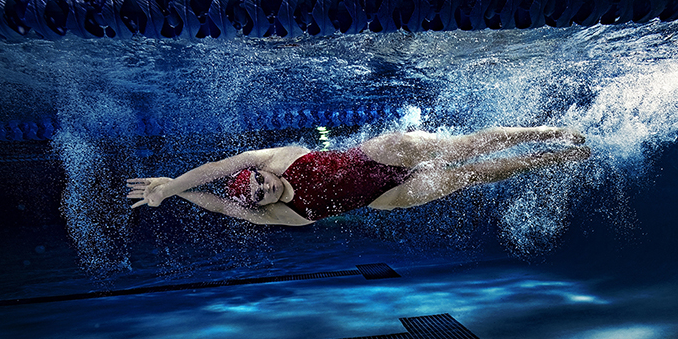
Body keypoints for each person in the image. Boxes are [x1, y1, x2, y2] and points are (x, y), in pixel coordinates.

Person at [126, 126, 590, 226]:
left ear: (258, 171)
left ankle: (551, 131)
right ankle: (550, 158)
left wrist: (172, 183)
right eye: (256, 194)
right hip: (389, 195)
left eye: (256, 179)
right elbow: (221, 202)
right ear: (260, 205)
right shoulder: (281, 216)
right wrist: (178, 198)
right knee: (474, 175)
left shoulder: (278, 157)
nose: (262, 185)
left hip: (379, 153)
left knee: (460, 147)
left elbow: (215, 171)